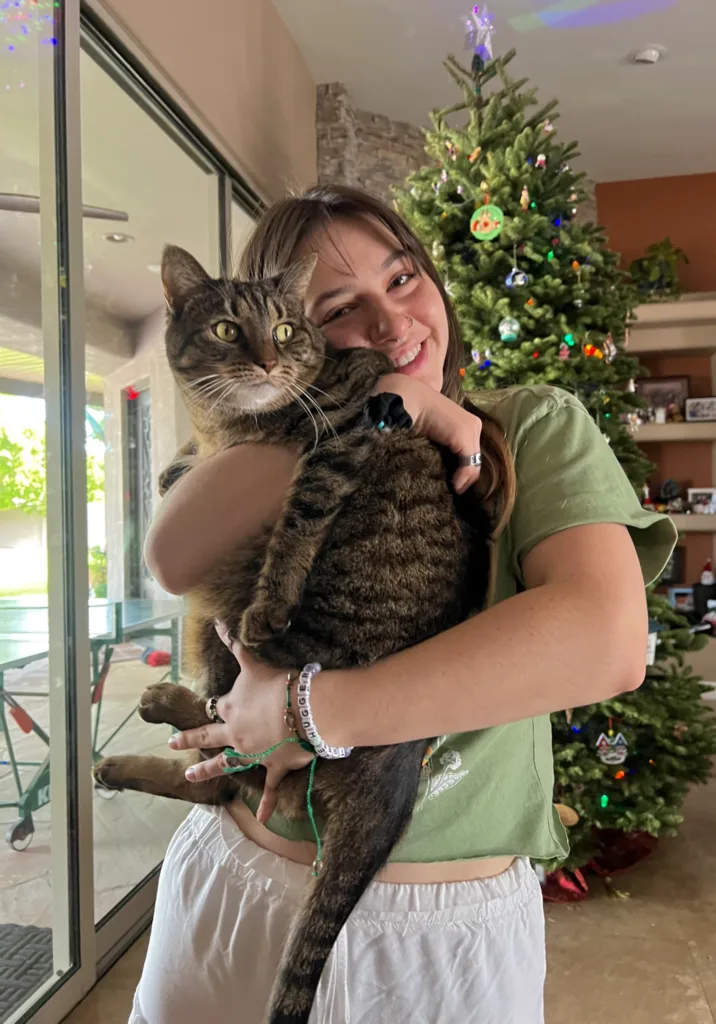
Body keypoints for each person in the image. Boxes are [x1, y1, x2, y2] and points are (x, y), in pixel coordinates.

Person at [131, 185, 675, 1023]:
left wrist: (306, 710)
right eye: (341, 306)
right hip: (230, 880)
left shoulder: (530, 423)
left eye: (403, 277)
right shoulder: (258, 434)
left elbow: (607, 641)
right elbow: (169, 557)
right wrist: (375, 404)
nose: (392, 325)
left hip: (436, 933)